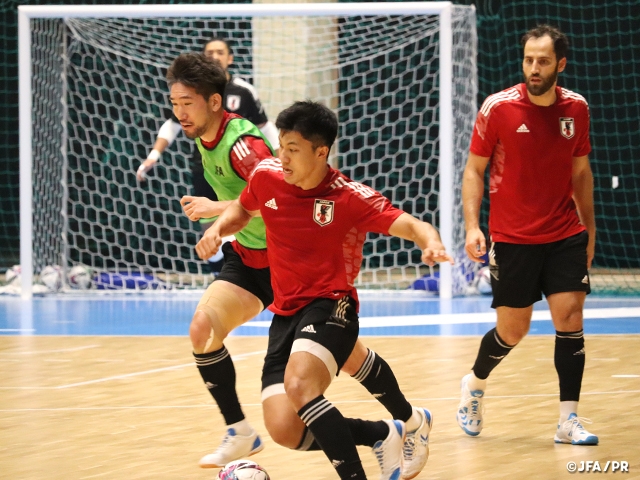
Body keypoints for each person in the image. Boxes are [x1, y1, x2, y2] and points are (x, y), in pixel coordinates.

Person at [168, 53, 435, 476]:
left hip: (330, 299)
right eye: (282, 148)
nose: (283, 157)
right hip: (280, 297)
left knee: (304, 382)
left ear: (321, 151)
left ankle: (400, 430)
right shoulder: (268, 174)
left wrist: (430, 240)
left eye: (293, 149)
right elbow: (245, 205)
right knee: (285, 427)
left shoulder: (342, 193)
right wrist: (220, 229)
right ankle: (389, 429)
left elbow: (409, 223)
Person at [457, 24, 597, 445]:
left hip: (564, 232)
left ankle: (568, 420)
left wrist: (589, 231)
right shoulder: (497, 108)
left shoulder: (577, 109)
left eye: (543, 61)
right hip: (513, 237)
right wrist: (471, 226)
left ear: (561, 65)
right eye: (528, 60)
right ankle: (475, 384)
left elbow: (581, 173)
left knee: (570, 319)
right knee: (513, 330)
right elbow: (473, 171)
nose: (534, 68)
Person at [137, 36, 279, 273]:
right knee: (206, 310)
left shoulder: (242, 142)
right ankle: (220, 272)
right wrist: (154, 155)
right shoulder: (202, 136)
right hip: (249, 252)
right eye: (174, 103)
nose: (180, 113)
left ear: (215, 102)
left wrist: (215, 209)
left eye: (187, 103)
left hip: (279, 254)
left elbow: (274, 203)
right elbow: (171, 125)